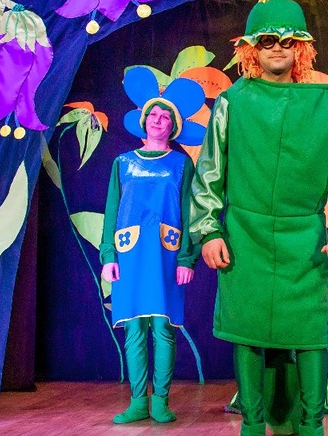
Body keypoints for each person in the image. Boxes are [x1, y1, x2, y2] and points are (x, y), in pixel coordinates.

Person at [189, 0, 328, 436]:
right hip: (245, 235)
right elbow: (209, 172)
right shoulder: (232, 102)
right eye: (267, 39)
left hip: (305, 238)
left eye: (288, 40)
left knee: (309, 331)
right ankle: (252, 426)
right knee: (247, 329)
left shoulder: (322, 102)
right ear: (252, 48)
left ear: (300, 47)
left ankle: (312, 426)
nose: (278, 47)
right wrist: (209, 230)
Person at [99, 75, 204, 424]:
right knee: (133, 328)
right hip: (129, 253)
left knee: (162, 326)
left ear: (173, 126)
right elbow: (112, 210)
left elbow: (190, 211)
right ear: (144, 121)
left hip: (166, 254)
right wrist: (108, 256)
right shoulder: (122, 163)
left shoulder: (181, 164)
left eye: (165, 117)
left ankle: (160, 399)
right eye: (153, 115)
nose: (158, 120)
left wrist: (187, 257)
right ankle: (137, 402)